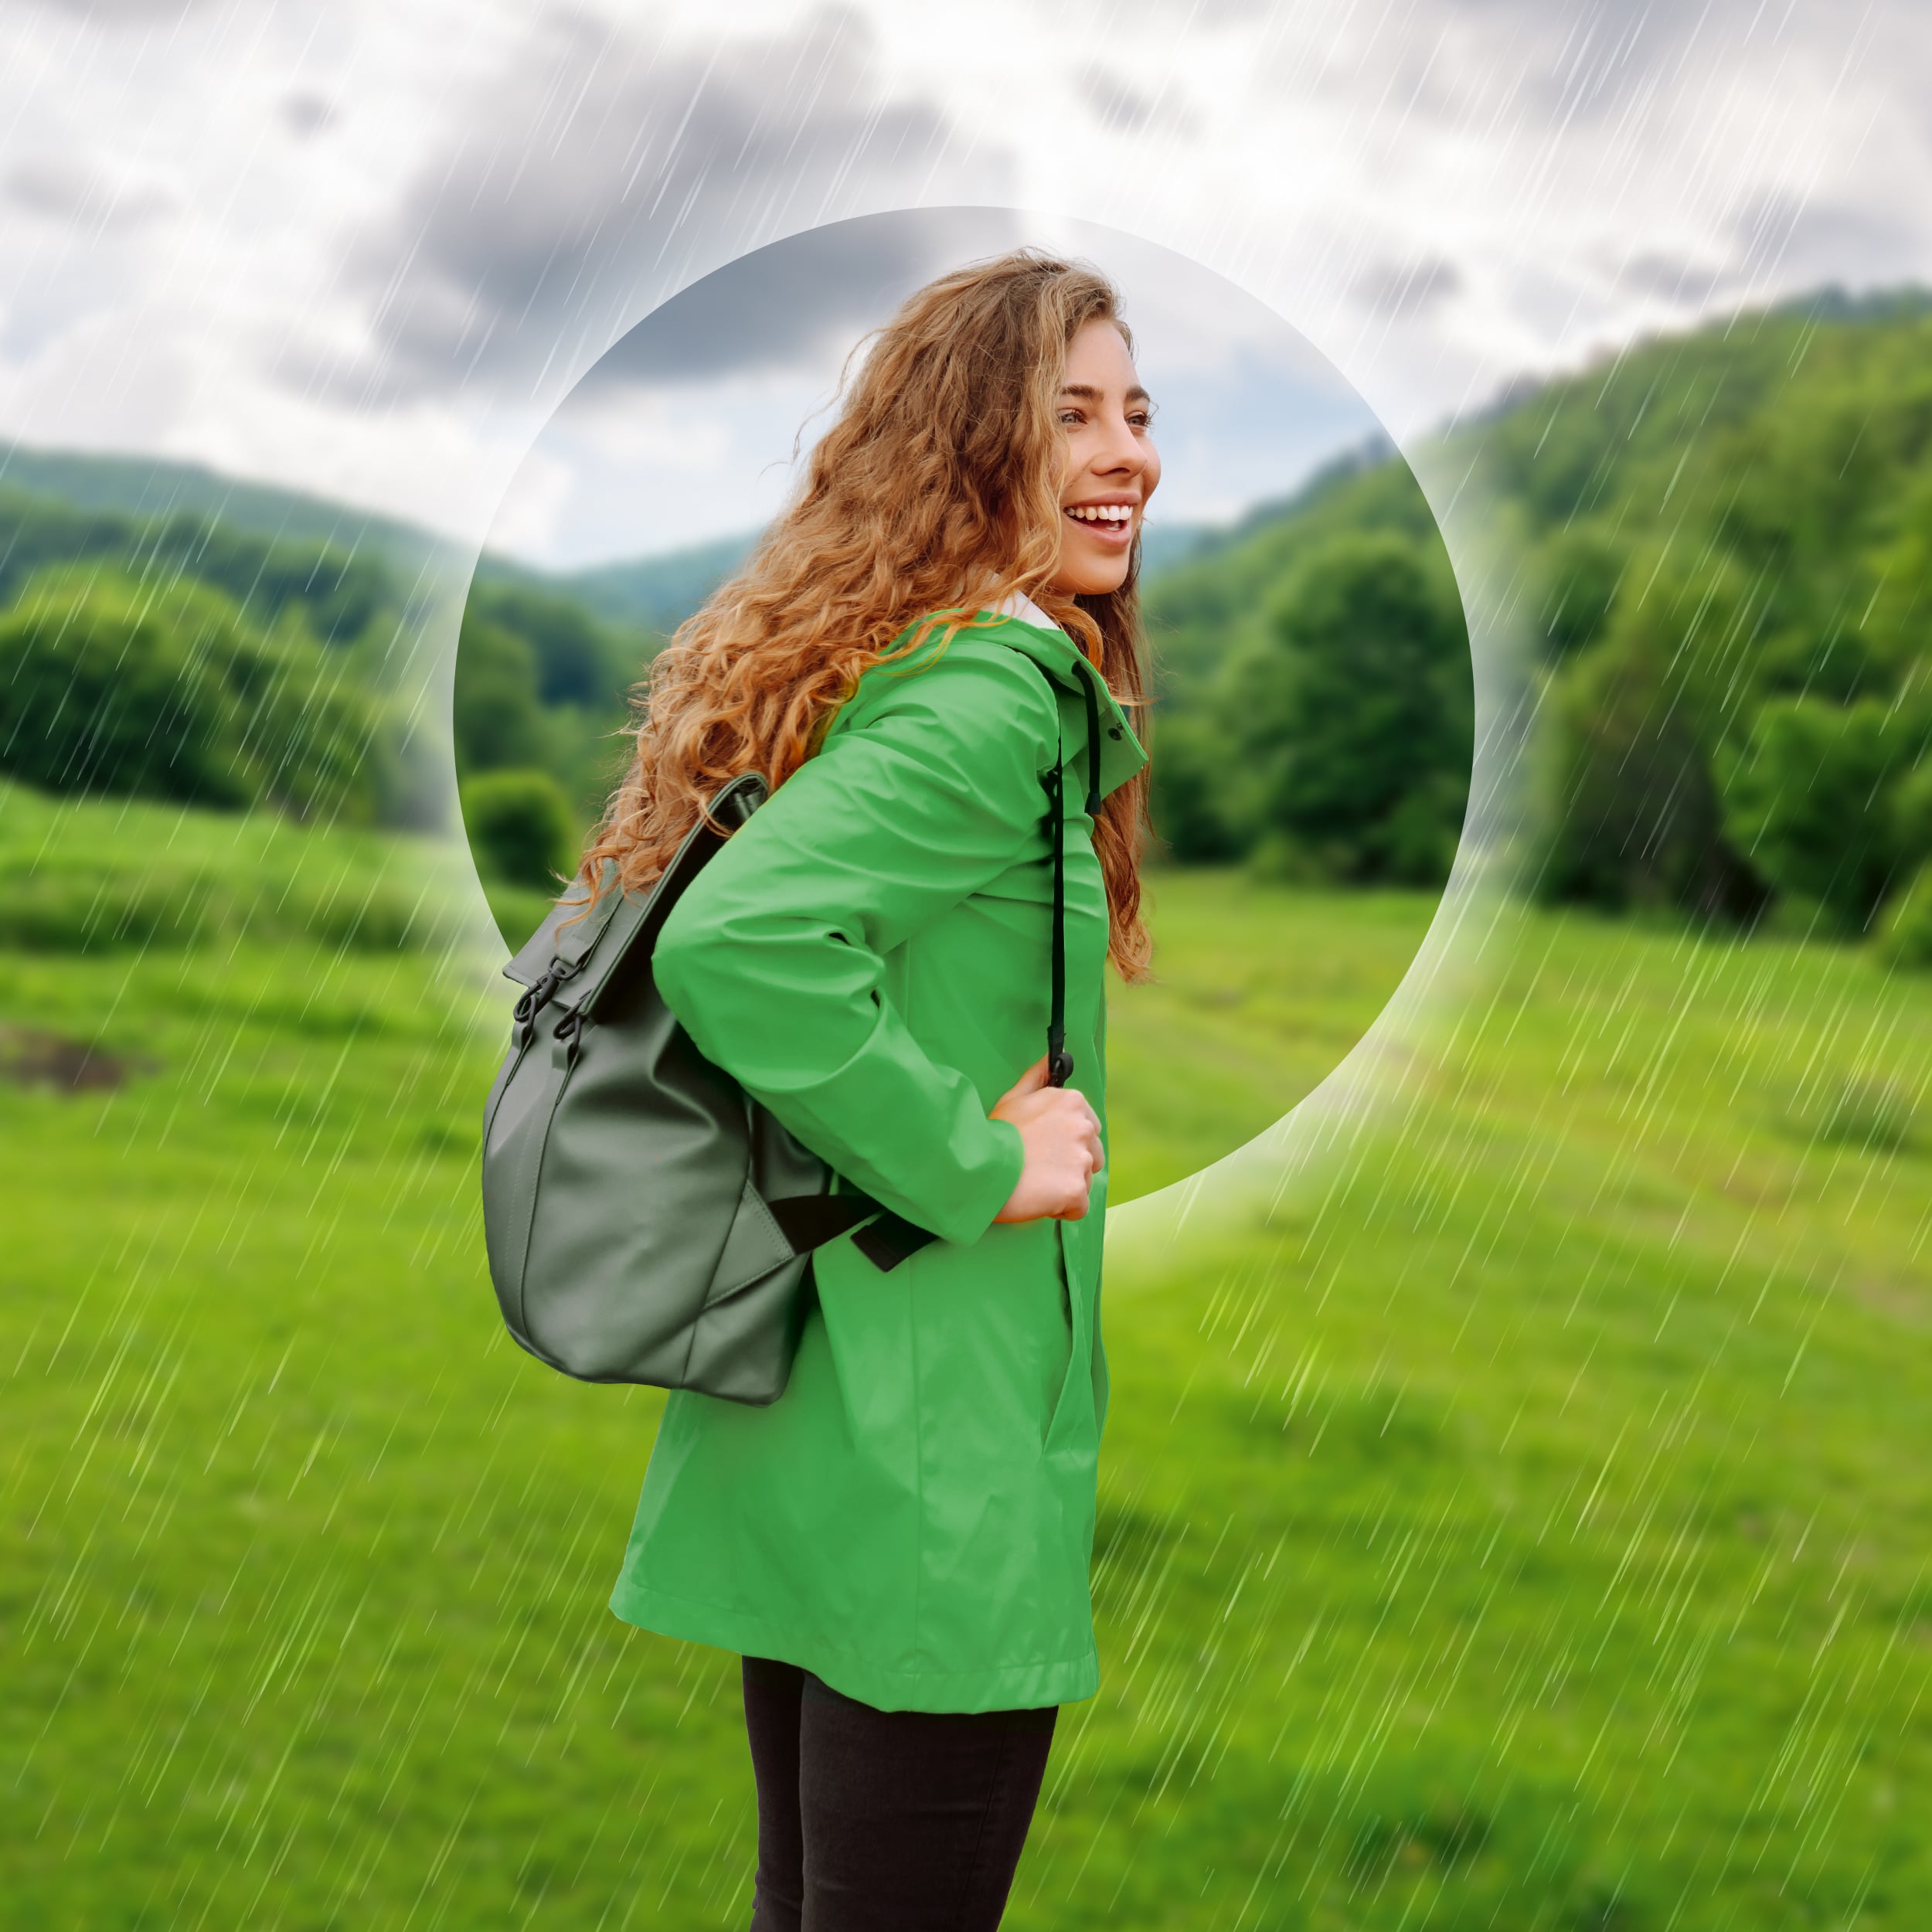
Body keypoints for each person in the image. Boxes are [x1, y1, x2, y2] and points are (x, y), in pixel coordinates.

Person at [577, 248, 1161, 1932]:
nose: (1126, 453)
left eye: (1135, 412)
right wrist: (970, 1159)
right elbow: (743, 942)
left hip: (841, 1401)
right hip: (937, 1444)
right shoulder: (989, 691)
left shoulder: (902, 664)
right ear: (970, 445)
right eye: (1072, 416)